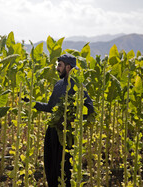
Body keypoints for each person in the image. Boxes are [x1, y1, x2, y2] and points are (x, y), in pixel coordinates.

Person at [33, 54, 94, 186]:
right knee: (50, 165)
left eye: (59, 65)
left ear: (68, 67)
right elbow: (50, 107)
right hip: (53, 130)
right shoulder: (59, 85)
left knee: (65, 167)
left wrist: (71, 120)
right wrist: (33, 103)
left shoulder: (78, 86)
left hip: (66, 134)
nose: (57, 68)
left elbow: (90, 109)